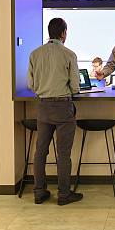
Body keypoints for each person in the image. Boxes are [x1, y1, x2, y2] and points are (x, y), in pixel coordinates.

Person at [27, 18, 83, 206]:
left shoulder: (35, 54)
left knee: (40, 151)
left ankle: (39, 192)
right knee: (63, 152)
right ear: (63, 33)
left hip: (43, 107)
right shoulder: (69, 54)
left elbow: (31, 84)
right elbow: (75, 87)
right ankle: (64, 194)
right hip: (62, 107)